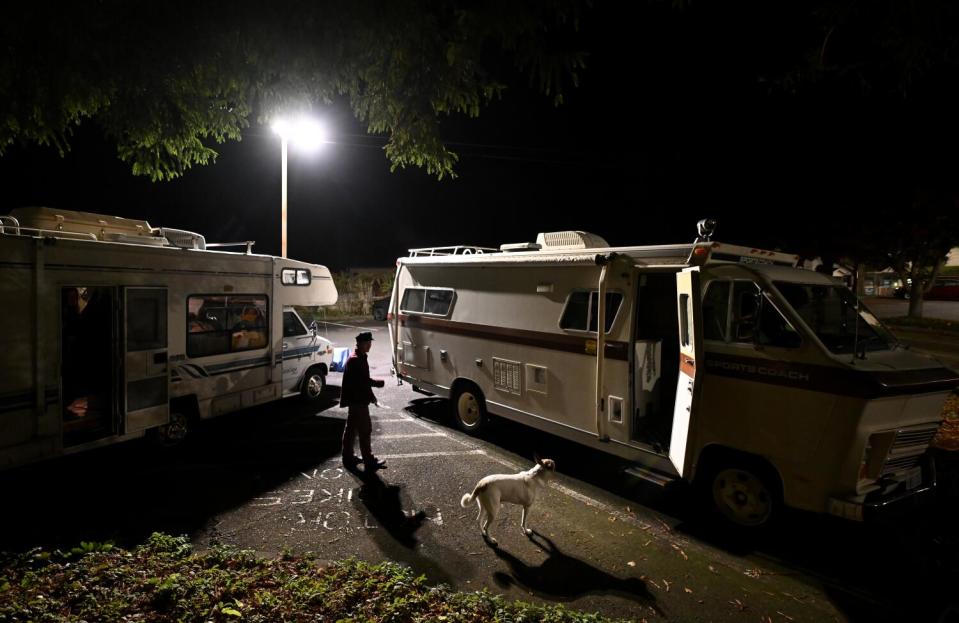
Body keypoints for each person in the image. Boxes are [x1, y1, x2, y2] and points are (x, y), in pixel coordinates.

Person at [340, 331, 387, 471]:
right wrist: (379, 383)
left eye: (370, 342)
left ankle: (348, 456)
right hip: (358, 401)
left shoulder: (359, 357)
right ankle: (369, 460)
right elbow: (364, 382)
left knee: (351, 430)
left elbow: (363, 382)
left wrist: (372, 398)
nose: (370, 345)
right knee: (365, 430)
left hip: (356, 400)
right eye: (367, 343)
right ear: (360, 344)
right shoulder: (356, 359)